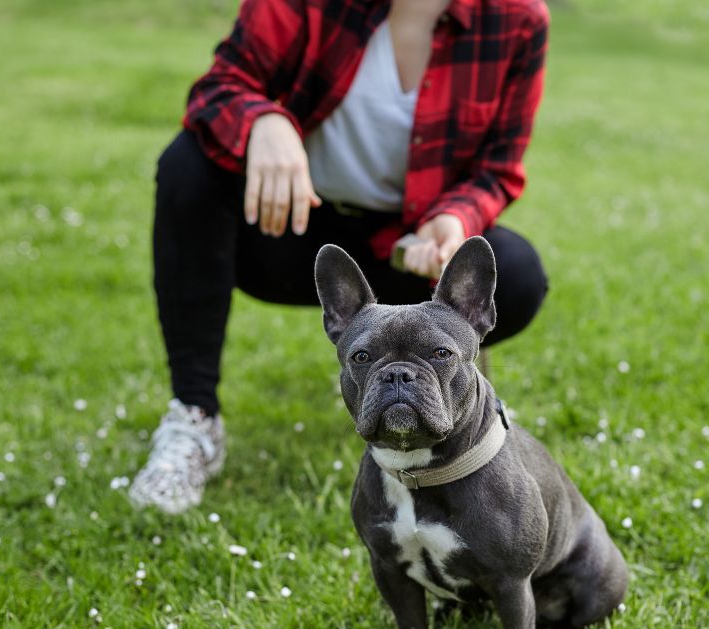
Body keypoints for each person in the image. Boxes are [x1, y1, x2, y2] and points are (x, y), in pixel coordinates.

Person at [130, 0, 551, 513]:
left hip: (403, 244)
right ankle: (194, 419)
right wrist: (264, 120)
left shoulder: (516, 18)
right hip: (287, 224)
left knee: (519, 272)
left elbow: (498, 167)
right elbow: (220, 87)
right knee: (187, 166)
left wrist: (454, 219)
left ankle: (451, 381)